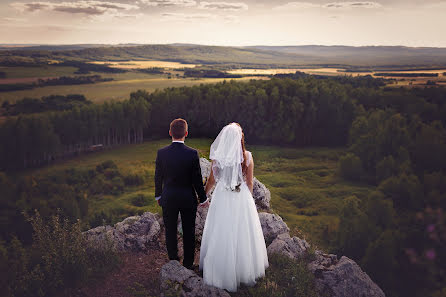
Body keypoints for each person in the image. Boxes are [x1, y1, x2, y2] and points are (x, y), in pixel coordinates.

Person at [199, 123, 269, 292]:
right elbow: (250, 182)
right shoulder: (248, 157)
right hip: (241, 195)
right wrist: (248, 200)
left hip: (222, 195)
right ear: (240, 138)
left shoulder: (218, 158)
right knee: (243, 231)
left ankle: (221, 270)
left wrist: (204, 195)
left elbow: (211, 181)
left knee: (221, 230)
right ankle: (243, 270)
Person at [155, 118, 208, 269]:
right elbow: (197, 180)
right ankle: (188, 263)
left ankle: (173, 260)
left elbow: (158, 176)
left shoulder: (162, 153)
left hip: (168, 197)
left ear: (170, 132)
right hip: (187, 199)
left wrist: (158, 196)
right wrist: (203, 199)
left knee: (170, 230)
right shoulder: (192, 153)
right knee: (189, 231)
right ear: (186, 133)